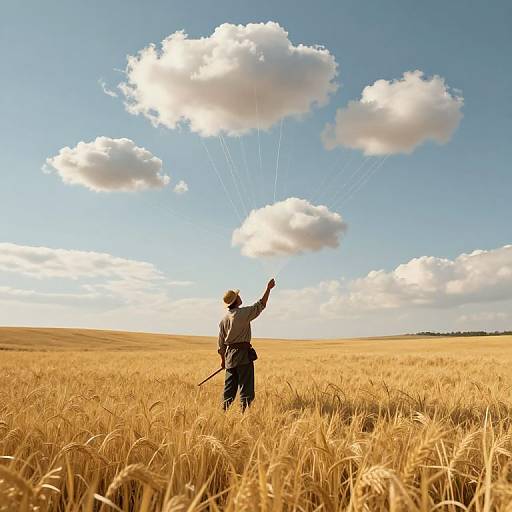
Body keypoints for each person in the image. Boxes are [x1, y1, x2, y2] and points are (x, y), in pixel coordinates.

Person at [218, 278, 276, 410]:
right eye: (238, 296)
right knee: (246, 387)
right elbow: (260, 305)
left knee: (229, 389)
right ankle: (244, 414)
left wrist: (223, 361)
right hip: (243, 356)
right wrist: (268, 289)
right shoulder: (242, 314)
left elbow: (221, 345)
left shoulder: (223, 320)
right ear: (236, 301)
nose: (240, 296)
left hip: (229, 358)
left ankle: (222, 414)